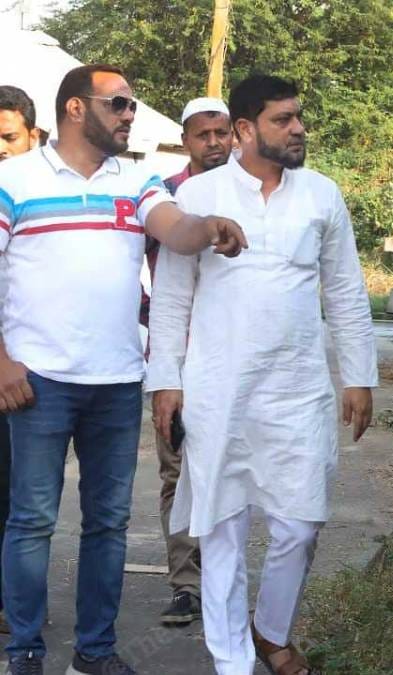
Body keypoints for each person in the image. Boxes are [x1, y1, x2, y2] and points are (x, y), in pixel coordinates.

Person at [0, 64, 247, 675]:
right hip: (38, 382)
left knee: (107, 523)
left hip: (114, 381)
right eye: (121, 104)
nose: (131, 114)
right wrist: (3, 362)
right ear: (77, 109)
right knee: (32, 520)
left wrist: (205, 228)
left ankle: (95, 653)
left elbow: (174, 227)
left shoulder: (138, 181)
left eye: (133, 105)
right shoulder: (15, 179)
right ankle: (24, 649)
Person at [146, 74, 377, 675]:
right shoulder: (199, 196)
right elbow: (172, 298)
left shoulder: (322, 194)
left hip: (298, 388)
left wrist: (359, 376)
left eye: (298, 117)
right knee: (221, 528)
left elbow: (347, 291)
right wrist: (165, 381)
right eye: (283, 119)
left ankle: (269, 630)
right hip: (218, 388)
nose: (298, 128)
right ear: (247, 130)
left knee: (300, 524)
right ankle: (231, 661)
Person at [148, 97, 235, 627]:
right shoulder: (166, 199)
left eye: (221, 132)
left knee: (231, 470)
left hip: (233, 360)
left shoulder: (250, 192)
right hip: (178, 363)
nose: (214, 143)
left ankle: (225, 579)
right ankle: (186, 584)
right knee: (177, 472)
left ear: (236, 134)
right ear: (186, 140)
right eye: (202, 135)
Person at [0, 85, 41, 637]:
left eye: (9, 138)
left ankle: (16, 605)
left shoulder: (51, 196)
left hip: (32, 369)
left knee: (21, 496)